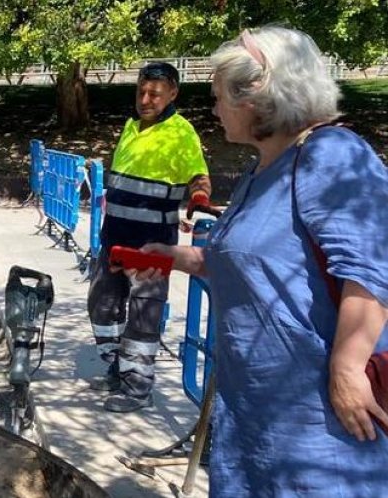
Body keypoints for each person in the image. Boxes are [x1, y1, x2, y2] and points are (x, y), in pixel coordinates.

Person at [131, 27, 388, 496]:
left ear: (257, 97)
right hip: (252, 413)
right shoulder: (262, 167)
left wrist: (348, 370)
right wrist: (177, 257)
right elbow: (249, 265)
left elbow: (371, 269)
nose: (212, 109)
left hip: (318, 426)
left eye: (217, 97)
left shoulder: (331, 154)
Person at [87, 61, 212, 413]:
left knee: (144, 315)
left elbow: (198, 175)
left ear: (173, 93)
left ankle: (138, 389)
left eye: (154, 94)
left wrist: (199, 198)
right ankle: (115, 368)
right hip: (113, 239)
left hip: (151, 244)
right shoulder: (131, 125)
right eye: (141, 91)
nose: (145, 99)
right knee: (102, 305)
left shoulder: (181, 132)